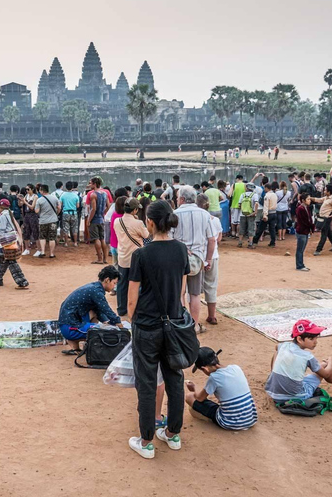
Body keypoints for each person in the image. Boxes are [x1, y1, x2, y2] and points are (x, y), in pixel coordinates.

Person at [126, 200, 189, 459]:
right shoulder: (182, 250)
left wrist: (133, 321)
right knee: (175, 378)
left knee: (147, 381)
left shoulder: (141, 254)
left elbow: (132, 299)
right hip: (174, 324)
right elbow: (182, 291)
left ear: (149, 222)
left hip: (147, 325)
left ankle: (146, 440)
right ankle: (173, 434)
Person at [265, 320, 332, 403]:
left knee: (277, 353)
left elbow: (277, 347)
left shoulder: (283, 345)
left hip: (273, 393)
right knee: (324, 367)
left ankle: (274, 377)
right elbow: (326, 375)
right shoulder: (308, 356)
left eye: (316, 337)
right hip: (297, 397)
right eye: (311, 338)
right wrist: (331, 364)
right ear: (299, 339)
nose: (315, 341)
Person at [172, 185, 216, 330]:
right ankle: (195, 325)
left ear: (182, 199)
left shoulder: (175, 214)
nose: (177, 200)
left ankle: (181, 324)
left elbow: (170, 238)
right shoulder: (204, 214)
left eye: (178, 197)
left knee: (180, 293)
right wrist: (208, 260)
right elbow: (212, 239)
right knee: (195, 294)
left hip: (178, 258)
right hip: (198, 259)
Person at [185, 347, 258, 431]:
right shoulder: (236, 368)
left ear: (205, 368)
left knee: (189, 397)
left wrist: (193, 388)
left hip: (229, 422)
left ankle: (209, 418)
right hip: (251, 419)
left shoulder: (214, 378)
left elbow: (200, 398)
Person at [57, 266, 122, 354]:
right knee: (107, 332)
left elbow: (99, 310)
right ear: (107, 280)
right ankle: (81, 341)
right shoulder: (96, 291)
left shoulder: (94, 287)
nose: (114, 286)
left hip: (67, 324)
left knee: (97, 315)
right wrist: (119, 325)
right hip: (70, 327)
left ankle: (75, 346)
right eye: (114, 283)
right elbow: (107, 310)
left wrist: (107, 322)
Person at [115, 198, 149, 317]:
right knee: (138, 283)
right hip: (136, 258)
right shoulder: (138, 223)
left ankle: (121, 308)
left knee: (122, 284)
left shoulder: (117, 221)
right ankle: (137, 308)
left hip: (123, 257)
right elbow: (147, 234)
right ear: (135, 210)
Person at [196, 195, 222, 326]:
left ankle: (194, 317)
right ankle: (212, 316)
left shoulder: (197, 220)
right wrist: (210, 258)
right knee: (211, 285)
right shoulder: (215, 220)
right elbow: (217, 238)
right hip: (213, 255)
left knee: (194, 289)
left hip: (198, 256)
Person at [0, 199, 29, 289]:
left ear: (1, 207)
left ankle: (22, 281)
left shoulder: (3, 216)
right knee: (6, 260)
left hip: (7, 240)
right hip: (11, 239)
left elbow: (2, 229)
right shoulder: (9, 213)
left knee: (11, 261)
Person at [311, 184, 332, 256]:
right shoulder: (326, 198)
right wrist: (310, 198)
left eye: (325, 190)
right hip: (323, 218)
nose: (324, 191)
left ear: (329, 191)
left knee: (324, 234)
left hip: (327, 219)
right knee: (328, 233)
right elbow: (318, 200)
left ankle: (318, 249)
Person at [35, 184, 61, 258]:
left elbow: (36, 211)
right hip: (53, 220)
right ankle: (51, 253)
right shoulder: (54, 198)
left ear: (42, 191)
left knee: (42, 237)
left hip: (43, 221)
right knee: (52, 237)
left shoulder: (39, 200)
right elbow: (59, 207)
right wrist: (56, 213)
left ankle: (42, 252)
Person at [87, 177, 110, 264]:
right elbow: (108, 206)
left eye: (90, 183)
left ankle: (100, 259)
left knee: (96, 239)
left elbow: (93, 209)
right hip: (101, 218)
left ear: (94, 184)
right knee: (102, 238)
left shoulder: (93, 195)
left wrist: (89, 220)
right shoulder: (105, 194)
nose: (89, 185)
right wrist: (103, 213)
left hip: (95, 219)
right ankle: (105, 259)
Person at [252, 181, 279, 248]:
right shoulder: (274, 195)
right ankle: (273, 242)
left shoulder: (267, 195)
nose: (264, 189)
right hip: (274, 213)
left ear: (267, 188)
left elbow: (266, 206)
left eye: (264, 188)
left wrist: (265, 215)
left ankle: (255, 241)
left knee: (260, 228)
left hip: (268, 214)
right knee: (272, 229)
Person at [294, 193, 314, 271]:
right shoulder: (301, 208)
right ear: (303, 200)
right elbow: (305, 221)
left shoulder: (306, 208)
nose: (309, 201)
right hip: (302, 231)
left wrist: (310, 228)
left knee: (301, 249)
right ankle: (299, 265)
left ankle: (301, 264)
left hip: (305, 231)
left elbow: (309, 219)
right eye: (308, 199)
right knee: (300, 249)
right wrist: (311, 227)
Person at [236, 182, 258, 248]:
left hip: (242, 214)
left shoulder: (242, 195)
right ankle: (250, 243)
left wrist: (243, 210)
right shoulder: (254, 195)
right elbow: (256, 204)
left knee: (242, 228)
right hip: (251, 214)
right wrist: (255, 212)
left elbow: (239, 204)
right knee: (251, 228)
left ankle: (240, 242)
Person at [59, 182, 80, 247]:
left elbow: (60, 205)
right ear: (72, 187)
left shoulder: (63, 195)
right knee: (75, 228)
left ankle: (66, 243)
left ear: (66, 187)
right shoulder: (76, 195)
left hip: (65, 213)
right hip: (74, 213)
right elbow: (78, 206)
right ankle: (75, 242)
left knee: (66, 228)